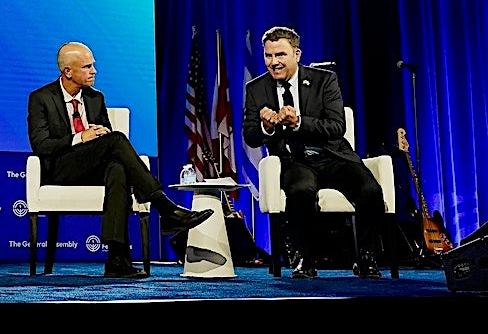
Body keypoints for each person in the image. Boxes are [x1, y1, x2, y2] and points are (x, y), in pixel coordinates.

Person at [28, 41, 214, 278]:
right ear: (67, 72)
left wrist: (98, 134)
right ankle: (165, 208)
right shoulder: (41, 98)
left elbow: (106, 141)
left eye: (93, 65)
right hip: (61, 169)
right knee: (116, 140)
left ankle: (116, 260)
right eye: (86, 67)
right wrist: (79, 137)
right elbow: (41, 145)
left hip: (94, 166)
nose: (94, 71)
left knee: (118, 168)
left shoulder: (95, 98)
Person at [242, 26, 384, 279]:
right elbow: (250, 137)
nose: (273, 63)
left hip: (333, 156)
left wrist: (298, 122)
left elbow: (337, 126)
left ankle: (366, 257)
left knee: (370, 190)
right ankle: (303, 258)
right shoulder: (256, 89)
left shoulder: (324, 80)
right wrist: (267, 127)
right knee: (300, 190)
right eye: (268, 56)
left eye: (280, 55)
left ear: (296, 54)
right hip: (294, 160)